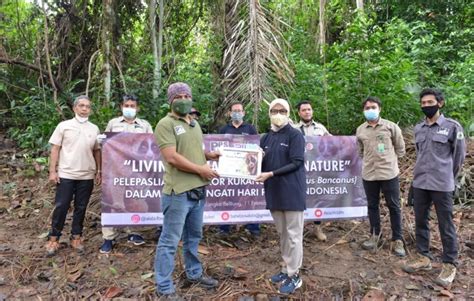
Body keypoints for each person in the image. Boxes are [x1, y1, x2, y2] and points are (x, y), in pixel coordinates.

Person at [154, 82, 220, 298]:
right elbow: (172, 157)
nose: (183, 99)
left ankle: (194, 273)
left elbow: (194, 152)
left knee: (194, 237)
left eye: (186, 95)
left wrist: (209, 157)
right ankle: (164, 287)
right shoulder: (165, 124)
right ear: (170, 100)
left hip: (198, 191)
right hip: (178, 193)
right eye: (178, 96)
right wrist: (202, 170)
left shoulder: (194, 123)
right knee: (170, 240)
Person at [402, 88, 466, 288]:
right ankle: (424, 256)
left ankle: (449, 263)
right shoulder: (419, 128)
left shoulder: (452, 127)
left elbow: (458, 158)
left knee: (445, 224)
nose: (426, 106)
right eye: (423, 103)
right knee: (420, 221)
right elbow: (421, 154)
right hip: (421, 183)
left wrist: (448, 177)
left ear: (440, 103)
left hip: (442, 184)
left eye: (430, 102)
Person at [256, 98, 306, 294]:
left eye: (282, 110)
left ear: (288, 113)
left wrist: (271, 174)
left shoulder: (295, 135)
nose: (278, 114)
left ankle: (295, 276)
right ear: (269, 113)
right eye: (274, 110)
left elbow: (297, 162)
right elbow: (260, 166)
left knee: (294, 235)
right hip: (274, 191)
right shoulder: (265, 138)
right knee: (283, 234)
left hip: (292, 191)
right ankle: (286, 269)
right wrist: (254, 161)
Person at [45, 95, 101, 256]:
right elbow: (55, 149)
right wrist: (52, 171)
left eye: (88, 106)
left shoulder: (94, 128)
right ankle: (54, 238)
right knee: (61, 205)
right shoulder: (64, 126)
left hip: (86, 175)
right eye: (81, 106)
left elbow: (97, 150)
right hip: (66, 174)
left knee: (81, 207)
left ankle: (76, 236)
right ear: (75, 108)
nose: (84, 109)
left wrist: (99, 171)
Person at [99, 94, 154, 254]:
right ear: (121, 106)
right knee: (112, 201)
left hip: (136, 170)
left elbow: (151, 144)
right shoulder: (113, 124)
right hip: (115, 169)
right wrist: (101, 141)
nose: (129, 108)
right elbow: (106, 144)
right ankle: (109, 237)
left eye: (132, 106)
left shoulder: (144, 125)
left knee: (136, 199)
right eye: (126, 105)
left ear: (138, 108)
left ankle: (134, 232)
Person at [356, 96, 406, 257]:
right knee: (372, 205)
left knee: (394, 206)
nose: (370, 110)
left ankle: (397, 239)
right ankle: (375, 235)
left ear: (379, 109)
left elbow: (400, 149)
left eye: (373, 107)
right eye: (367, 108)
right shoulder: (360, 130)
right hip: (369, 174)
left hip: (389, 173)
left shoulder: (390, 127)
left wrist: (390, 161)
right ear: (364, 111)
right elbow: (360, 151)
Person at [218, 102, 260, 236]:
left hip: (246, 171)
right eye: (234, 110)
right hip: (229, 172)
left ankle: (253, 227)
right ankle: (224, 228)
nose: (237, 112)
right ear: (230, 113)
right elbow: (218, 147)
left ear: (243, 113)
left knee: (249, 199)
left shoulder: (250, 129)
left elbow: (256, 147)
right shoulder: (224, 130)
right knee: (228, 198)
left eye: (239, 110)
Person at [294, 100, 330, 242]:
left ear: (312, 111)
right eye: (304, 110)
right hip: (299, 169)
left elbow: (333, 144)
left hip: (317, 170)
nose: (307, 112)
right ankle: (298, 228)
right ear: (299, 113)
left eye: (309, 109)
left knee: (317, 198)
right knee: (299, 198)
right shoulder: (294, 129)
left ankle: (317, 227)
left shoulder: (320, 128)